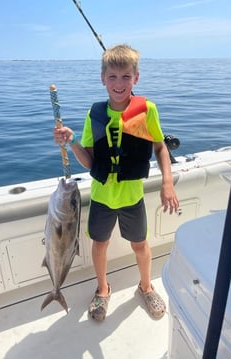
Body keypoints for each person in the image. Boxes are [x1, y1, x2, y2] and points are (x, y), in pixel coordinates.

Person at [53, 44, 179, 321]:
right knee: (100, 244)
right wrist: (72, 141)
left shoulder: (147, 110)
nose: (119, 83)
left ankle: (146, 286)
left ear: (136, 77)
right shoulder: (95, 114)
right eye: (112, 77)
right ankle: (103, 289)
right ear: (103, 79)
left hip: (132, 196)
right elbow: (90, 162)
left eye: (125, 77)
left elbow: (160, 148)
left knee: (140, 244)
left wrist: (166, 182)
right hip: (101, 197)